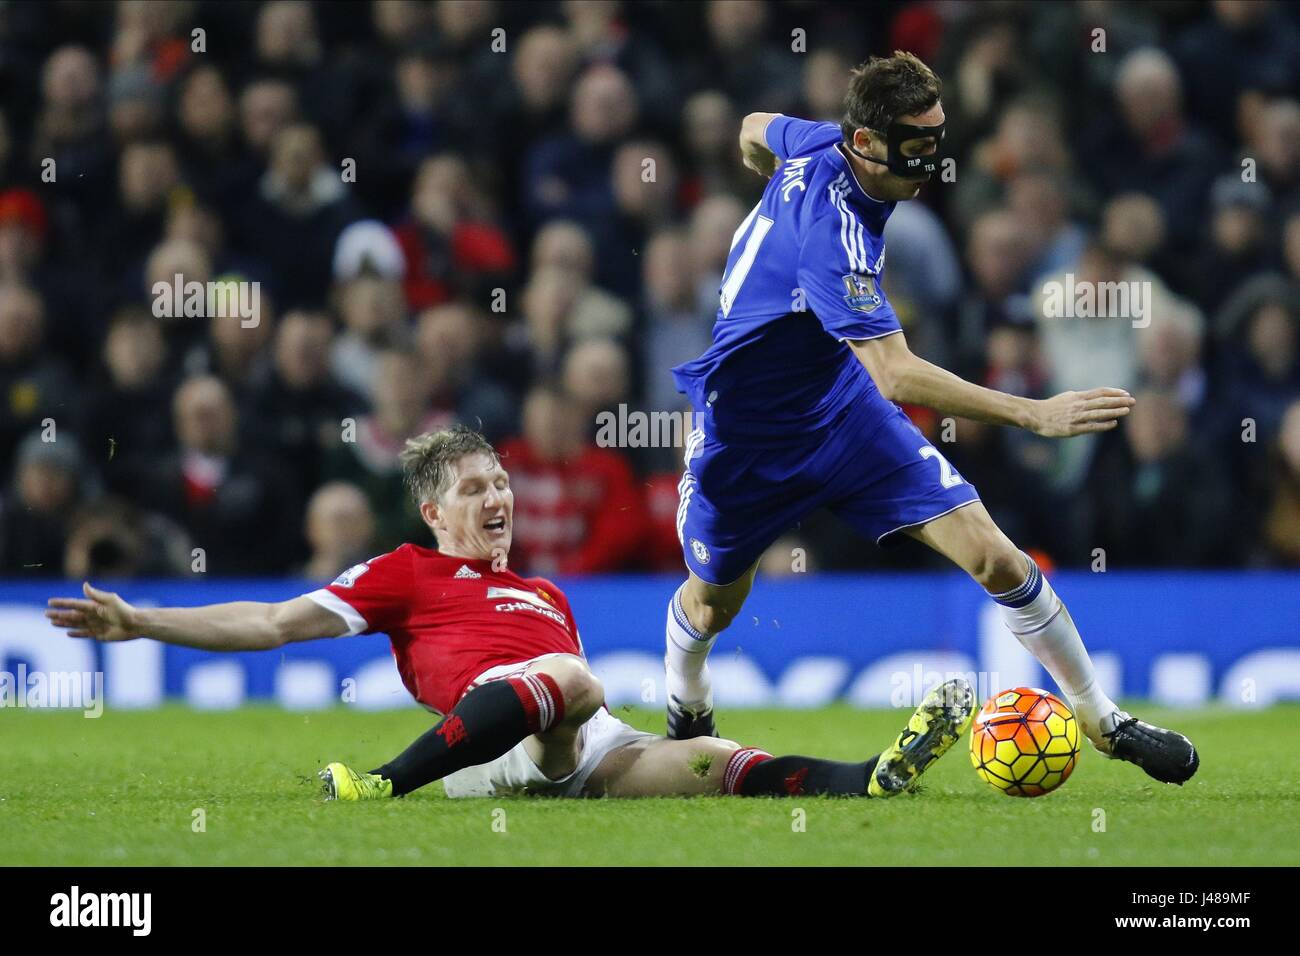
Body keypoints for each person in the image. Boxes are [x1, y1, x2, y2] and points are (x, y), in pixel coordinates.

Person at [664, 51, 1198, 785]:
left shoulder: (820, 141)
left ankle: (1104, 719)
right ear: (865, 143)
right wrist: (1032, 414)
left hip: (841, 410)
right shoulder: (836, 233)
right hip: (749, 437)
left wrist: (761, 168)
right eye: (915, 146)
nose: (930, 160)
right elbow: (897, 372)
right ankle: (686, 697)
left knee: (997, 557)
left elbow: (756, 127)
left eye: (935, 139)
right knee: (715, 600)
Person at [46, 425, 974, 801]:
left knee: (707, 760)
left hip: (570, 738)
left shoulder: (545, 592)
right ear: (433, 512)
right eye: (476, 489)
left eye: (502, 483)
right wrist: (146, 621)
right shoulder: (401, 574)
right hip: (499, 741)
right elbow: (274, 624)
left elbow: (578, 710)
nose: (499, 499)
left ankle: (873, 778)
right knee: (570, 677)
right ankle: (379, 785)